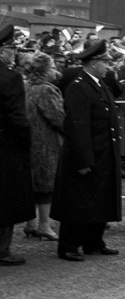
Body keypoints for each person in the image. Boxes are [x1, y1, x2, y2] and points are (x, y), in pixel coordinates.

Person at [51, 39, 122, 261]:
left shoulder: (101, 86)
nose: (108, 66)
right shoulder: (79, 88)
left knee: (99, 198)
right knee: (78, 200)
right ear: (92, 63)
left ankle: (94, 241)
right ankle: (69, 245)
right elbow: (77, 127)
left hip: (103, 152)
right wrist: (83, 160)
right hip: (86, 154)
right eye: (105, 62)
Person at [0, 25, 34, 266]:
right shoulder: (10, 78)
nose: (15, 52)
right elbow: (17, 117)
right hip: (5, 146)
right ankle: (2, 250)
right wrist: (26, 141)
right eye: (12, 47)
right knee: (5, 198)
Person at [24, 52, 65, 241]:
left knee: (32, 183)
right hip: (47, 142)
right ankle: (44, 225)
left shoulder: (26, 87)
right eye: (52, 68)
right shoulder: (47, 90)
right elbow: (57, 117)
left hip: (29, 140)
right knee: (46, 186)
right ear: (44, 71)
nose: (55, 71)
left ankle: (30, 223)